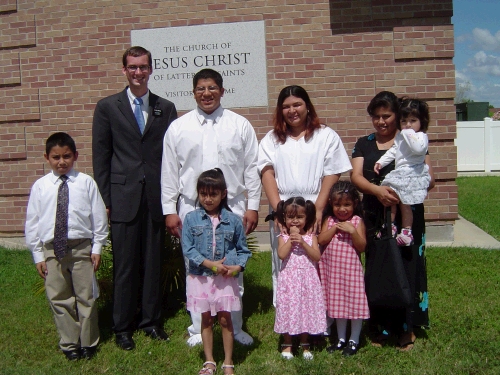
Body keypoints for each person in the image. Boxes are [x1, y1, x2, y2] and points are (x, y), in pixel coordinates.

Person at [161, 68, 261, 346]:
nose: (207, 93)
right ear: (193, 92)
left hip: (232, 209)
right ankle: (198, 328)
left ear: (222, 90)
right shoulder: (179, 128)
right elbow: (169, 172)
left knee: (232, 267)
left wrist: (253, 206)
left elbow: (252, 169)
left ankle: (235, 326)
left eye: (212, 88)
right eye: (201, 89)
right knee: (196, 269)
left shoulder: (239, 125)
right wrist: (170, 209)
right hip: (193, 209)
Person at [92, 46, 177, 350]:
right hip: (123, 197)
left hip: (155, 197)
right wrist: (106, 198)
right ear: (124, 70)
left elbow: (171, 157)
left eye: (143, 67)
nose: (138, 72)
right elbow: (101, 157)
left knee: (153, 262)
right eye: (132, 67)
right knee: (125, 265)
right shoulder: (107, 107)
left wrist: (171, 199)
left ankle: (151, 322)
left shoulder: (165, 108)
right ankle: (122, 327)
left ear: (151, 69)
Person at [350, 91, 435, 352]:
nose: (381, 121)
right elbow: (356, 177)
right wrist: (377, 191)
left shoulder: (413, 141)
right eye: (376, 117)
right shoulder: (364, 143)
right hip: (375, 214)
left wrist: (406, 190)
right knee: (379, 267)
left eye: (386, 116)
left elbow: (430, 177)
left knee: (408, 265)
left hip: (408, 213)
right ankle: (380, 326)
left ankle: (406, 327)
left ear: (397, 116)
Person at [258, 85, 352, 307]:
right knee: (284, 260)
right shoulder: (272, 139)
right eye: (286, 106)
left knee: (317, 259)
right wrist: (279, 211)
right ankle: (287, 317)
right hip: (285, 210)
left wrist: (318, 208)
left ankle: (320, 317)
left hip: (315, 205)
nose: (292, 110)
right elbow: (266, 172)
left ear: (307, 106)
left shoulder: (325, 135)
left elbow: (332, 172)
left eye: (297, 104)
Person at [25, 132, 108, 361]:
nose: (62, 162)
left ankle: (89, 342)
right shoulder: (41, 186)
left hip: (81, 247)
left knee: (86, 297)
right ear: (47, 158)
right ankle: (70, 343)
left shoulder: (86, 182)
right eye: (56, 157)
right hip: (52, 250)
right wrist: (38, 254)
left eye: (67, 156)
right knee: (59, 298)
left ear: (75, 156)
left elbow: (98, 216)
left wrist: (97, 247)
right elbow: (32, 222)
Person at [182, 168, 251, 375]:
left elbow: (243, 250)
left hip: (224, 278)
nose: (208, 199)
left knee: (224, 318)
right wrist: (210, 264)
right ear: (198, 194)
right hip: (201, 278)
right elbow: (188, 248)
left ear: (223, 193)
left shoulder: (233, 220)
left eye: (213, 194)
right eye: (203, 194)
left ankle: (228, 362)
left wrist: (237, 267)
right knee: (206, 319)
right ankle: (209, 361)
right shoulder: (191, 219)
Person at [317, 181, 368, 357]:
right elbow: (321, 240)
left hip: (351, 273)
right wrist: (334, 230)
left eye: (347, 204)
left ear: (354, 204)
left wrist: (352, 231)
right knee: (337, 304)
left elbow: (361, 246)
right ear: (331, 204)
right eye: (337, 204)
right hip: (334, 274)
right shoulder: (329, 220)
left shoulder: (357, 221)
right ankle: (340, 339)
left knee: (354, 304)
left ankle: (354, 339)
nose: (342, 209)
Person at [273, 197, 326, 360]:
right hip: (290, 280)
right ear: (284, 218)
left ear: (306, 218)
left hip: (306, 279)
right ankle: (287, 343)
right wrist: (291, 240)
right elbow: (282, 254)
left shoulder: (311, 237)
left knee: (305, 308)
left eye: (299, 217)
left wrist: (303, 242)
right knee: (289, 308)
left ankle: (305, 343)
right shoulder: (282, 236)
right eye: (290, 217)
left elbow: (316, 256)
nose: (295, 221)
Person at [374, 98, 431, 246]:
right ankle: (390, 225)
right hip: (401, 173)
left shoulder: (420, 137)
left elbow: (418, 149)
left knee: (405, 204)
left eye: (413, 121)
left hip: (413, 173)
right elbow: (394, 150)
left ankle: (407, 231)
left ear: (422, 121)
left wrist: (408, 133)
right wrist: (381, 161)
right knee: (391, 196)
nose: (408, 125)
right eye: (404, 121)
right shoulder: (401, 136)